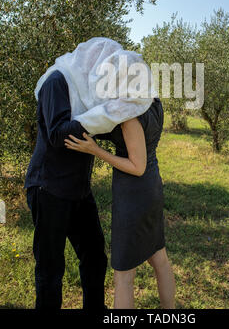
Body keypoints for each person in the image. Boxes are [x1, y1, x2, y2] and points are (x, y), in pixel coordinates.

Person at [64, 97, 176, 309]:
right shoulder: (153, 102)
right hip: (152, 186)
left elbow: (137, 166)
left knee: (123, 275)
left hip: (133, 196)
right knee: (159, 257)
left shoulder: (130, 118)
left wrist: (95, 150)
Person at [24, 70, 108, 311]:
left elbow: (101, 127)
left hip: (78, 190)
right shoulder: (56, 82)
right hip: (48, 186)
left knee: (95, 257)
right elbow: (58, 133)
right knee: (50, 268)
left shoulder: (88, 91)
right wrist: (103, 117)